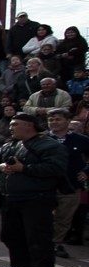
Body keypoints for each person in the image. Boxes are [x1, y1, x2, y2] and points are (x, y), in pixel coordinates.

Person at [0, 112, 68, 267]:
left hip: (37, 198)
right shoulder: (9, 145)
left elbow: (55, 169)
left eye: (15, 124)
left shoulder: (50, 146)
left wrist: (24, 169)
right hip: (10, 197)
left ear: (29, 125)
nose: (10, 128)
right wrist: (0, 166)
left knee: (38, 236)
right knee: (10, 235)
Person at [43, 108, 89, 258]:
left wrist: (86, 171)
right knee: (42, 215)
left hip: (70, 185)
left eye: (58, 119)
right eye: (51, 120)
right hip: (44, 184)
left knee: (64, 217)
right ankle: (40, 242)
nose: (54, 122)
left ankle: (56, 244)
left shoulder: (80, 140)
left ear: (67, 121)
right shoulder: (41, 138)